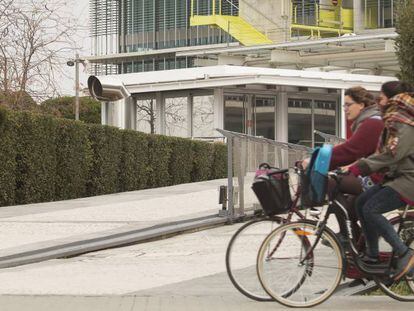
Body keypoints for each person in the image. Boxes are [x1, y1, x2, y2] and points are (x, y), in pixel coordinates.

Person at [351, 81, 414, 280]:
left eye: (381, 98)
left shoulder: (402, 120)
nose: (379, 102)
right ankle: (372, 254)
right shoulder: (394, 118)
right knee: (361, 202)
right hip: (398, 176)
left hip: (409, 179)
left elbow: (394, 153)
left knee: (371, 209)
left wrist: (360, 166)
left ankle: (405, 254)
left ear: (391, 98)